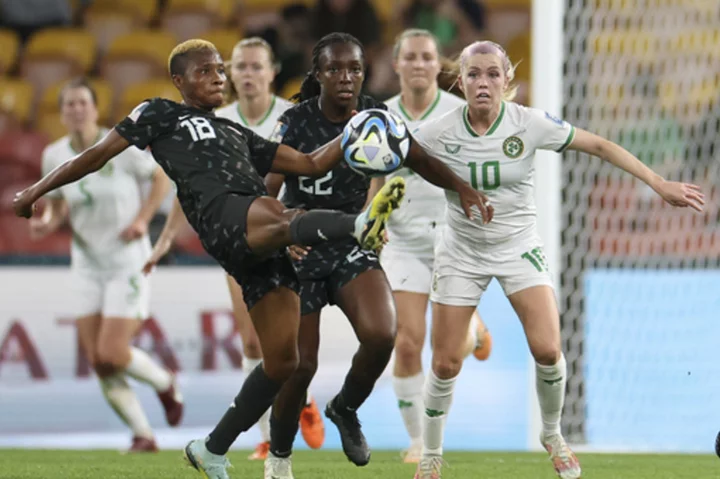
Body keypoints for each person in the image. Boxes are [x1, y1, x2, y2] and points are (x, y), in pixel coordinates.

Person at [12, 39, 490, 479]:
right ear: (179, 81)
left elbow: (309, 163)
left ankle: (212, 447)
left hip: (261, 245)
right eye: (206, 71)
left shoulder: (237, 133)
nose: (219, 77)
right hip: (227, 218)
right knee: (276, 211)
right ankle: (359, 225)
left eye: (221, 70)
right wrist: (36, 189)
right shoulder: (160, 114)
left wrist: (356, 133)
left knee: (283, 363)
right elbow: (96, 154)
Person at [409, 40, 705, 479]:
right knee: (444, 363)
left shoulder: (529, 124)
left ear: (507, 80)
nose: (483, 82)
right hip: (461, 251)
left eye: (493, 73)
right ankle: (431, 457)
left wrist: (658, 182)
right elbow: (388, 157)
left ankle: (552, 434)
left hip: (518, 247)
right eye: (474, 74)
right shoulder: (437, 131)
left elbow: (600, 146)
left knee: (548, 349)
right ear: (460, 82)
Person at [261, 32, 494, 479]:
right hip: (302, 248)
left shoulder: (377, 116)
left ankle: (345, 407)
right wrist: (282, 231)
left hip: (351, 245)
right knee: (300, 363)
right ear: (318, 74)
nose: (346, 77)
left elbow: (421, 158)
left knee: (383, 335)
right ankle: (280, 458)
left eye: (355, 69)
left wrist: (462, 189)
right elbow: (267, 191)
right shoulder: (293, 123)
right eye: (335, 69)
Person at [28, 77, 179, 452]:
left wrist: (144, 218)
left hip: (127, 259)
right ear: (61, 113)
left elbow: (160, 176)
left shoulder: (118, 144)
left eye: (83, 103)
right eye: (69, 104)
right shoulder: (54, 154)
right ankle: (143, 434)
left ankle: (165, 383)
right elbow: (60, 203)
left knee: (113, 352)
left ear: (95, 109)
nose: (76, 110)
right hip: (86, 262)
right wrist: (47, 221)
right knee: (99, 360)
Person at [374, 28, 493, 463]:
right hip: (403, 240)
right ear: (398, 64)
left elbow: (480, 170)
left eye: (427, 57)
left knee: (448, 351)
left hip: (452, 238)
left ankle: (471, 331)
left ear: (437, 64)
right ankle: (419, 439)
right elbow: (374, 174)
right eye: (412, 57)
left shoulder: (459, 112)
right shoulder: (381, 117)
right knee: (405, 341)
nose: (420, 64)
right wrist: (373, 219)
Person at [215, 36, 325, 459]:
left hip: (288, 238)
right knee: (251, 343)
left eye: (256, 66)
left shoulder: (294, 116)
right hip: (239, 239)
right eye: (240, 66)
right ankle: (265, 436)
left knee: (286, 347)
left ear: (273, 70)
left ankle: (301, 397)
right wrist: (167, 238)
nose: (248, 74)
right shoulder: (218, 120)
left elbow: (311, 176)